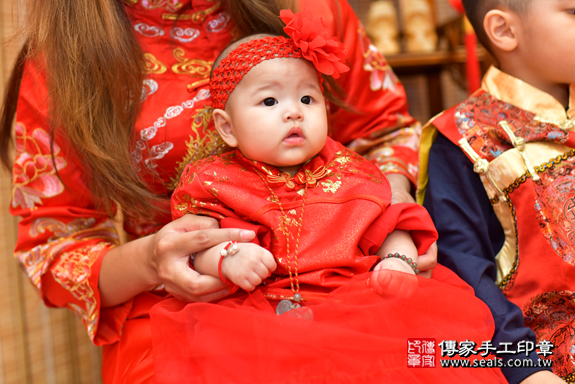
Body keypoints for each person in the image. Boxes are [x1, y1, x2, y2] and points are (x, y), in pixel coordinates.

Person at [0, 0, 436, 383]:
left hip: (349, 276)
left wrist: (392, 221)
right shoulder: (63, 56)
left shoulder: (312, 6)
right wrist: (155, 259)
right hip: (184, 305)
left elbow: (385, 130)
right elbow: (54, 242)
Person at [149, 11, 508, 383]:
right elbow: (195, 244)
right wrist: (224, 258)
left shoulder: (349, 170)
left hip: (359, 303)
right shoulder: (214, 181)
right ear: (227, 127)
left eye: (307, 99)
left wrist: (398, 260)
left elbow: (388, 222)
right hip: (257, 316)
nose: (293, 113)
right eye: (270, 102)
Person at [418, 0, 574, 383]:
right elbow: (466, 275)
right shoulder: (463, 140)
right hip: (546, 359)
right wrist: (526, 368)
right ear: (504, 30)